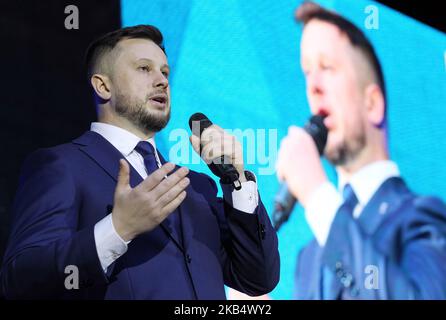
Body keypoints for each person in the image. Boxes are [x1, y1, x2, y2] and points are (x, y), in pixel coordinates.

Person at [0, 25, 280, 299]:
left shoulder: (194, 187)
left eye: (165, 72)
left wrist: (238, 181)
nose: (162, 81)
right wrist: (118, 229)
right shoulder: (62, 165)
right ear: (103, 85)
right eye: (144, 68)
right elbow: (20, 279)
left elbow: (257, 279)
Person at [276, 2, 446, 299]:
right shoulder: (308, 258)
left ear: (373, 104)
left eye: (327, 67)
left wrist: (316, 194)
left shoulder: (421, 218)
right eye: (307, 72)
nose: (313, 86)